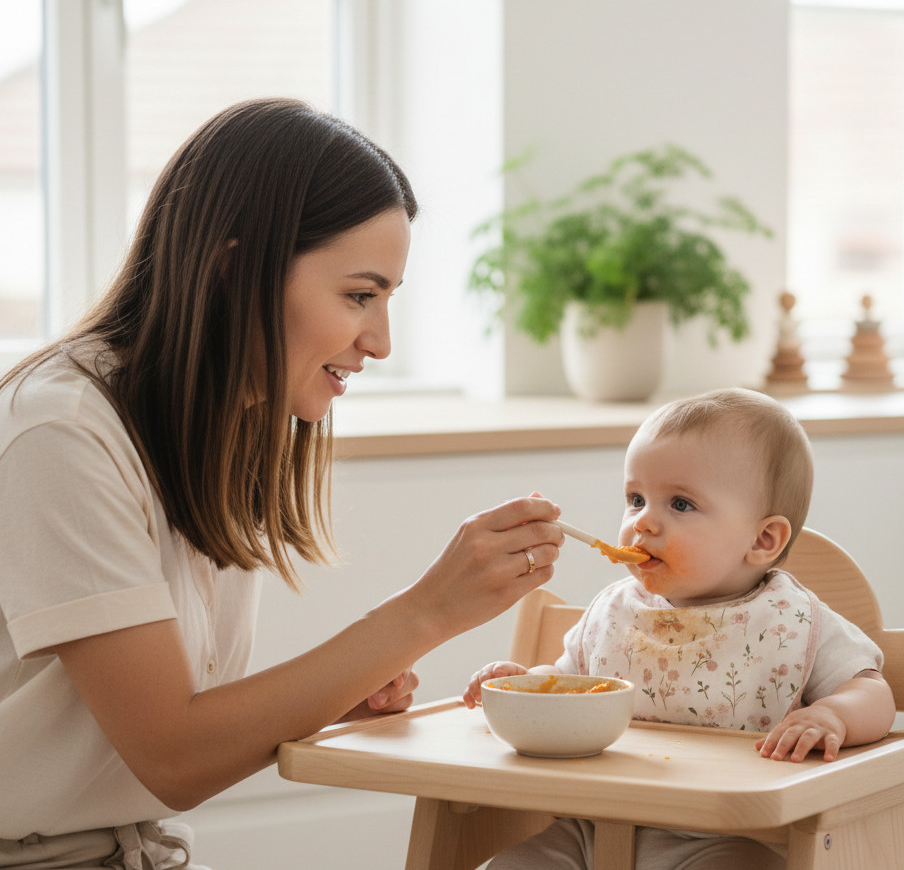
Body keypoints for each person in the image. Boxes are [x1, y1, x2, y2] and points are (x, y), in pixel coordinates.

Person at [0, 97, 564, 869]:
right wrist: (429, 611)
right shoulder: (60, 432)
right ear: (236, 271)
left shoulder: (217, 423)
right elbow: (173, 755)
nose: (380, 342)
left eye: (387, 300)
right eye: (359, 295)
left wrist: (332, 693)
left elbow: (179, 730)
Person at [464, 387, 896, 870]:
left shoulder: (791, 620)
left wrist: (833, 717)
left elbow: (874, 693)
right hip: (587, 828)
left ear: (763, 539)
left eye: (681, 504)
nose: (644, 522)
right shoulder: (613, 612)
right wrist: (519, 683)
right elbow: (568, 685)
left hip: (726, 836)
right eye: (636, 498)